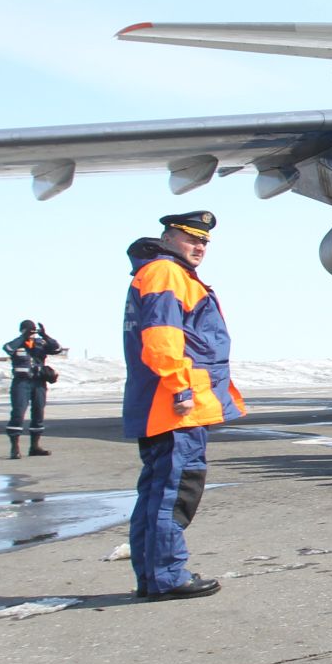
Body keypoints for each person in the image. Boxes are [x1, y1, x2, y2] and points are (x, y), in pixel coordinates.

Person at [122, 210, 244, 600]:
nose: (200, 247)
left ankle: (153, 575)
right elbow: (161, 339)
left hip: (167, 404)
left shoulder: (161, 273)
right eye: (192, 238)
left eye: (205, 241)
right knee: (175, 492)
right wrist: (180, 390)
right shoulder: (166, 273)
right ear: (169, 237)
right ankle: (167, 576)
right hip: (176, 406)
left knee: (159, 492)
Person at [2, 319, 63, 459]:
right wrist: (23, 337)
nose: (31, 334)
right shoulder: (17, 344)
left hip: (39, 383)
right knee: (18, 412)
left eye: (33, 331)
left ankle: (34, 446)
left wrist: (45, 336)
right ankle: (15, 447)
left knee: (38, 413)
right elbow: (8, 349)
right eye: (29, 331)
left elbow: (57, 348)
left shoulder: (40, 344)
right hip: (21, 383)